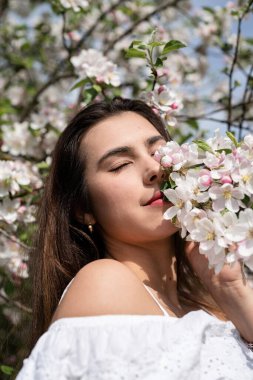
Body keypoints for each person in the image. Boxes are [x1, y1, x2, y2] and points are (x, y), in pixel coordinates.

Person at [17, 97, 253, 379]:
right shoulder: (105, 284)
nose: (154, 170)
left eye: (158, 152)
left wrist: (234, 294)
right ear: (84, 209)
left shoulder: (213, 303)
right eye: (120, 165)